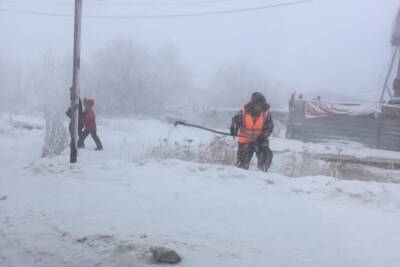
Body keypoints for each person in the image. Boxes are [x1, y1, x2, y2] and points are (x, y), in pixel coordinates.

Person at [230, 92, 274, 172]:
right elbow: (235, 121)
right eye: (257, 103)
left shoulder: (266, 113)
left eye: (261, 104)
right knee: (242, 164)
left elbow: (269, 127)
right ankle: (239, 176)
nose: (259, 106)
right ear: (252, 103)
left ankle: (262, 173)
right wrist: (234, 129)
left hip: (260, 140)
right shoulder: (243, 111)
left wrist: (263, 136)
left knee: (265, 158)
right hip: (245, 141)